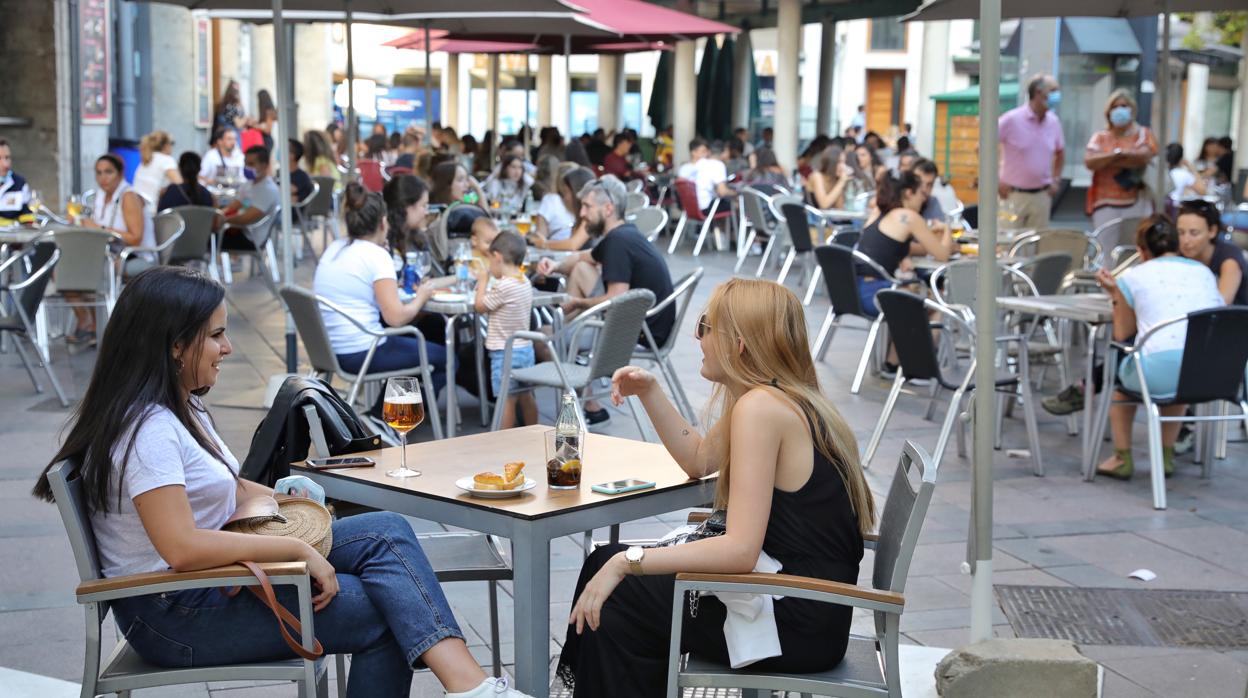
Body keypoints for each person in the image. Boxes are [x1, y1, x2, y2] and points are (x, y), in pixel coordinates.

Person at [31, 266, 531, 698]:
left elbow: (225, 485)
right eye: (216, 335)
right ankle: (472, 687)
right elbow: (180, 547)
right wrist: (302, 553)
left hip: (203, 586)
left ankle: (471, 686)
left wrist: (278, 496)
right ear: (176, 346)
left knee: (387, 531)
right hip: (176, 613)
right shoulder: (149, 432)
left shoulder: (178, 404)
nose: (228, 347)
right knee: (383, 613)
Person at [555, 277, 874, 697]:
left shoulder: (761, 408)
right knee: (606, 564)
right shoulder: (775, 396)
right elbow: (699, 459)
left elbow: (739, 551)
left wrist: (629, 562)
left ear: (738, 342)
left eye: (706, 326)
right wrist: (650, 391)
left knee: (617, 587)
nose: (697, 337)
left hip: (793, 618)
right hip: (804, 607)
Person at [1094, 215, 1225, 480]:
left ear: (1142, 250)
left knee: (1122, 385)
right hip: (1213, 372)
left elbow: (1123, 332)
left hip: (1160, 372)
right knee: (1178, 379)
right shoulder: (1204, 272)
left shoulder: (1133, 276)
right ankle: (1165, 457)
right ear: (1177, 245)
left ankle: (1122, 458)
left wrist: (1116, 294)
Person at [535, 176, 675, 423]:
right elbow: (583, 257)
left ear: (608, 209)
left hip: (639, 334)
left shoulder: (618, 243)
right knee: (579, 270)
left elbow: (616, 299)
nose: (582, 213)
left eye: (588, 207)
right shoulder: (624, 234)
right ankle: (588, 398)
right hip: (646, 324)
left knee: (546, 342)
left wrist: (577, 303)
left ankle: (581, 401)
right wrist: (555, 265)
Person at [315, 183, 449, 404]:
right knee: (446, 357)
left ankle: (386, 412)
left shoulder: (335, 248)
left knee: (412, 347)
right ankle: (385, 417)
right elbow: (395, 318)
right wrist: (421, 298)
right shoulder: (376, 256)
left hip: (327, 349)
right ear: (383, 222)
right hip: (362, 353)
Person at [72, 154, 157, 343]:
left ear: (120, 173)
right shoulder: (101, 196)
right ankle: (88, 321)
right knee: (63, 267)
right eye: (99, 173)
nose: (103, 178)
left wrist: (98, 228)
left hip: (134, 255)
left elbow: (136, 237)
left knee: (83, 268)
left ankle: (99, 327)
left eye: (108, 172)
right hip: (109, 254)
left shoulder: (128, 196)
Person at [856, 172, 955, 316]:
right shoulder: (908, 217)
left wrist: (931, 237)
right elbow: (943, 255)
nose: (924, 198)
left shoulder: (880, 212)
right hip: (877, 294)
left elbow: (916, 250)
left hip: (854, 291)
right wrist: (947, 229)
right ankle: (915, 339)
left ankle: (898, 339)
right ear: (909, 193)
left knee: (918, 293)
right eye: (921, 193)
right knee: (939, 303)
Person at [473, 231, 538, 429]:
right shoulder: (524, 282)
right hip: (525, 350)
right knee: (525, 395)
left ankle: (505, 440)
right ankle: (533, 430)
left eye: (490, 261)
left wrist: (483, 280)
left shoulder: (504, 287)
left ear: (497, 257)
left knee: (506, 399)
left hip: (505, 352)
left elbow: (480, 306)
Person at [998, 74, 1065, 229]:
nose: (1057, 95)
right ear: (1038, 92)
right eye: (1053, 90)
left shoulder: (1053, 122)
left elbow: (1060, 153)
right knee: (1007, 246)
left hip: (1042, 196)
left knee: (1036, 247)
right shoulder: (1011, 119)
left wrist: (1056, 180)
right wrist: (996, 180)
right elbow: (982, 147)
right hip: (1012, 196)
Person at [1085, 89, 1158, 230]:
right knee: (1105, 248)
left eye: (1124, 106)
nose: (1119, 110)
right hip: (1104, 203)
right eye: (1115, 106)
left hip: (1137, 202)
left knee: (1133, 247)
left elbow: (1142, 157)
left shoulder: (1144, 134)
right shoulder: (1099, 137)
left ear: (1132, 110)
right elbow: (1090, 161)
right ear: (1108, 112)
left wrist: (1106, 160)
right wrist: (1118, 155)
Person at [1177, 199, 1246, 306]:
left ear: (1212, 231)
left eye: (1194, 233)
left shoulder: (1229, 257)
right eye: (1180, 233)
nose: (1186, 240)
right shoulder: (1177, 256)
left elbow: (1222, 304)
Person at [219, 146, 279, 253]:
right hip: (239, 231)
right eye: (245, 163)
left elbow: (246, 219)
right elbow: (233, 206)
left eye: (251, 164)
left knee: (207, 239)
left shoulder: (268, 190)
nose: (246, 167)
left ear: (264, 166)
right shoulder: (248, 185)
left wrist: (222, 220)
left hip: (251, 238)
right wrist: (217, 215)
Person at [529, 164, 595, 252]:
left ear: (577, 193)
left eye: (566, 192)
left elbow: (572, 245)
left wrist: (544, 243)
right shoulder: (579, 218)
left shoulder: (591, 216)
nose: (564, 198)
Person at [383, 174, 433, 262]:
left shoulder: (419, 238)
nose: (426, 212)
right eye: (423, 206)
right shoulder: (383, 244)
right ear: (406, 206)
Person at [677, 138, 732, 214]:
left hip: (688, 208)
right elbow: (722, 192)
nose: (707, 154)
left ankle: (716, 226)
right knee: (734, 204)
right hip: (706, 208)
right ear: (693, 152)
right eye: (704, 151)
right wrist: (737, 193)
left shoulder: (683, 169)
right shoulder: (715, 165)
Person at [133, 130, 182, 207]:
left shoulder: (146, 159)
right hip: (152, 208)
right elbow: (180, 184)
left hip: (137, 205)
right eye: (172, 143)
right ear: (166, 145)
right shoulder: (167, 160)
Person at [806, 146, 851, 210]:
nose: (843, 166)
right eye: (839, 162)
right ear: (831, 163)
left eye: (844, 162)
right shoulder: (817, 176)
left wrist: (841, 183)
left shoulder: (836, 180)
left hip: (828, 218)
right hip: (810, 218)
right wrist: (841, 182)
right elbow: (824, 205)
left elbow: (839, 207)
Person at [1165, 143, 1207, 207]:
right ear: (1181, 158)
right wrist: (1191, 167)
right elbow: (1202, 191)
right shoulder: (1183, 174)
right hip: (1174, 209)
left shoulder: (1162, 172)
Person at [0, 138, 32, 220]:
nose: (5, 164)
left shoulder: (20, 183)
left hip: (14, 232)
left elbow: (28, 216)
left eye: (7, 158)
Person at [286, 139, 315, 205]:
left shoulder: (302, 177)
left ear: (292, 155)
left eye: (284, 149)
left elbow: (287, 193)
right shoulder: (280, 174)